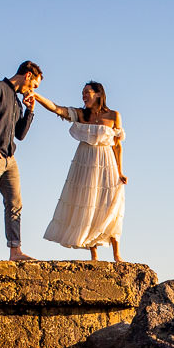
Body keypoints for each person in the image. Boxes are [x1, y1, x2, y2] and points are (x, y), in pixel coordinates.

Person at [31, 82, 127, 262]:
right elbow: (57, 109)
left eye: (87, 92)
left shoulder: (114, 115)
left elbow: (117, 146)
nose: (83, 96)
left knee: (110, 203)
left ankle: (116, 253)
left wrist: (120, 171)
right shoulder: (82, 114)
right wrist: (36, 96)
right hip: (85, 163)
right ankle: (94, 254)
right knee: (88, 202)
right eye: (82, 93)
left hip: (107, 162)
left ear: (98, 94)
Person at [0, 61, 43, 261]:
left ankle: (15, 251)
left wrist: (30, 111)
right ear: (27, 76)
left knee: (15, 203)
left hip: (9, 158)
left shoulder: (17, 102)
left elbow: (20, 135)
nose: (32, 90)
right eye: (34, 85)